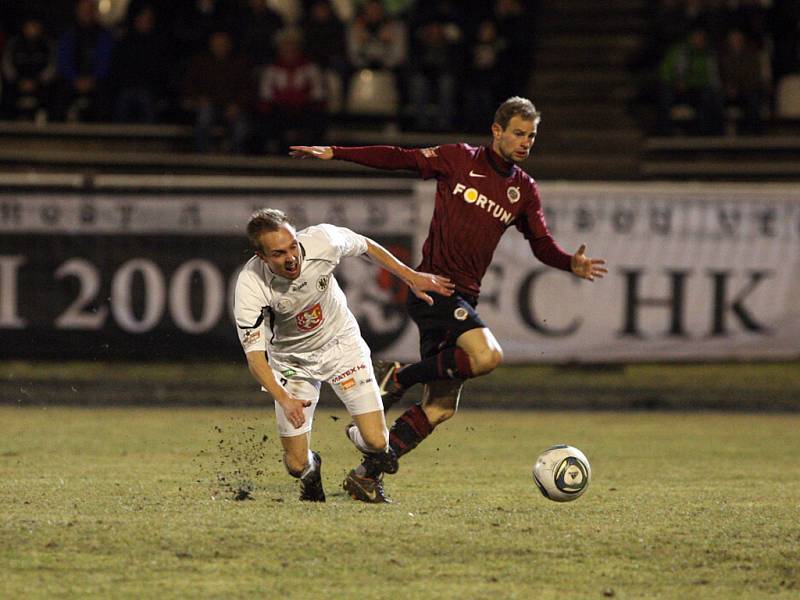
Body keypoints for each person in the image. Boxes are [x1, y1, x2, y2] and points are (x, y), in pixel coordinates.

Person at [289, 96, 607, 485]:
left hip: (463, 297)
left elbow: (540, 244)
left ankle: (366, 476)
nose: (525, 142)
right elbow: (398, 157)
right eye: (519, 133)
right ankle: (398, 378)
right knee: (487, 355)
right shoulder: (459, 159)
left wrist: (568, 263)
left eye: (532, 136)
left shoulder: (523, 190)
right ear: (497, 131)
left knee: (439, 408)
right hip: (434, 287)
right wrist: (336, 153)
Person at [234, 208, 454, 503]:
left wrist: (410, 276)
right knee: (296, 464)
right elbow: (255, 359)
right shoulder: (250, 285)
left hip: (341, 347)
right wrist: (284, 399)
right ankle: (312, 471)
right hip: (292, 363)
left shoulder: (322, 241)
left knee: (378, 442)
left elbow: (365, 245)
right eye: (278, 254)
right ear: (262, 257)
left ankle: (358, 432)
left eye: (292, 247)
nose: (291, 258)